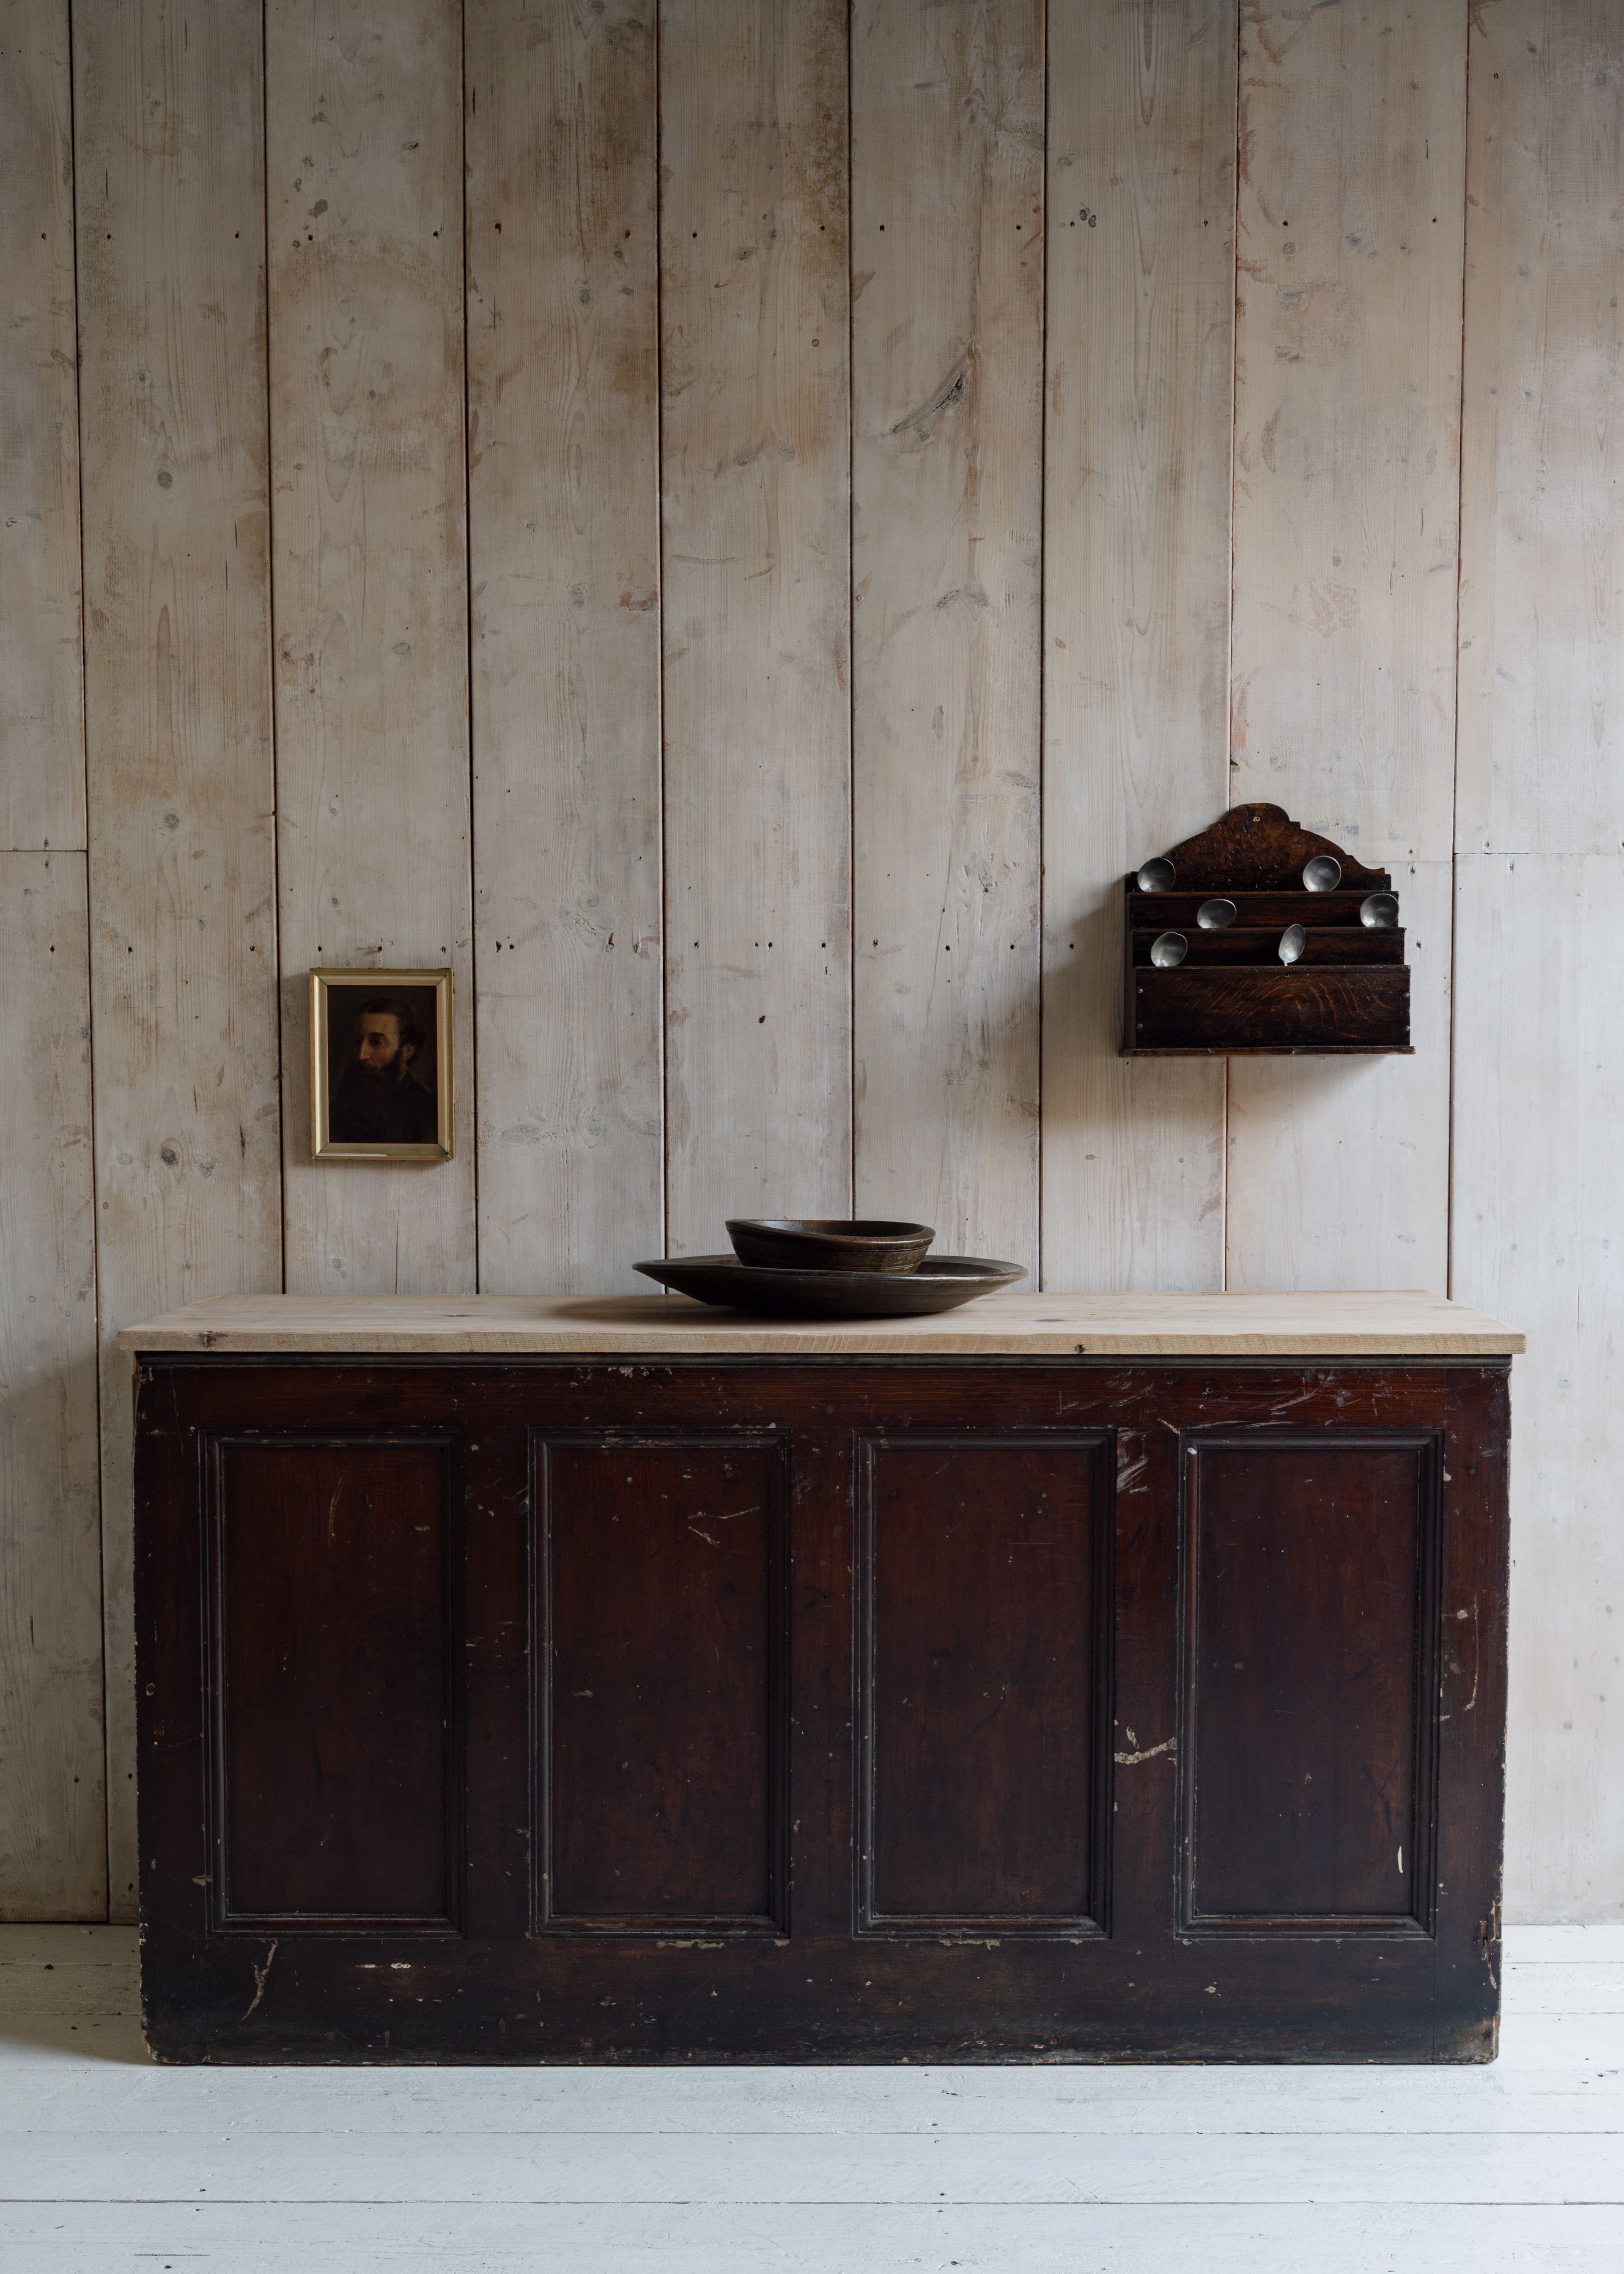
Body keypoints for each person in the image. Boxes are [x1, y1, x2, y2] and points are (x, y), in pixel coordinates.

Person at [329, 996, 438, 1144]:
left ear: (406, 1051)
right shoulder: (339, 1108)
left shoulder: (428, 1112)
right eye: (357, 1041)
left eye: (376, 1042)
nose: (362, 1055)